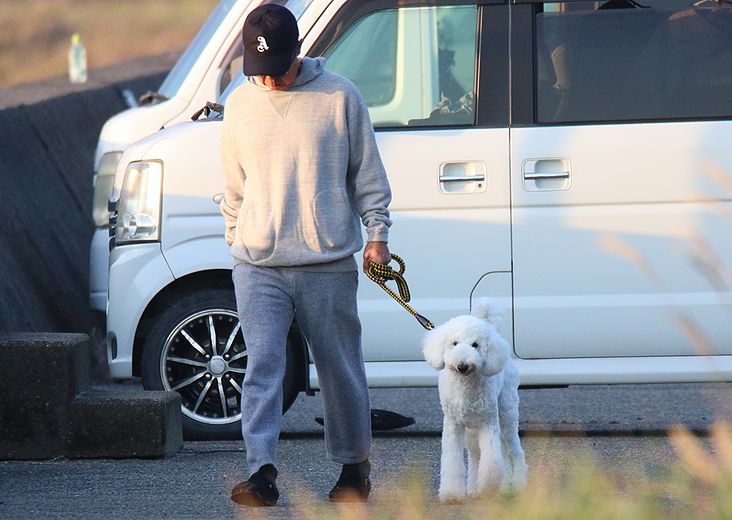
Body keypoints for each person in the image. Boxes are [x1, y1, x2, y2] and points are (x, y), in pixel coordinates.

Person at [219, 4, 392, 507]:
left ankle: (354, 470)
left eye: (276, 68)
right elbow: (233, 187)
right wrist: (237, 237)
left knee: (340, 369)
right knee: (262, 365)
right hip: (258, 264)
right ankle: (261, 473)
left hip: (327, 262)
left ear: (297, 52)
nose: (268, 79)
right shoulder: (240, 104)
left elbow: (368, 175)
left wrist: (377, 235)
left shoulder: (340, 96)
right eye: (259, 69)